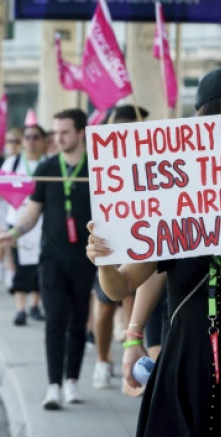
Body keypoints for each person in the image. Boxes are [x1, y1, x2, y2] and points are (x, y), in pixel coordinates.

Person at [85, 67, 221, 435]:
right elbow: (120, 287)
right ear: (211, 111)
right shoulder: (171, 176)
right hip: (188, 350)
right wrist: (103, 262)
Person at [0, 108, 95, 410]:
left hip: (84, 259)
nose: (59, 138)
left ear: (81, 133)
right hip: (51, 257)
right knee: (55, 320)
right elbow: (33, 210)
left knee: (78, 322)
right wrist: (14, 233)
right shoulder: (48, 168)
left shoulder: (98, 168)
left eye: (65, 132)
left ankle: (72, 381)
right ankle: (53, 385)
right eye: (56, 132)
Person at [91, 104, 147, 390]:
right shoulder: (103, 162)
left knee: (130, 299)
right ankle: (102, 361)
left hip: (144, 241)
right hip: (111, 242)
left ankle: (130, 350)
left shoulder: (153, 157)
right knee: (105, 304)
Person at [0, 125, 47, 326]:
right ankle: (20, 308)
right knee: (19, 265)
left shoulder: (48, 163)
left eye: (35, 137)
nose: (30, 141)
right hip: (17, 219)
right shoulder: (13, 162)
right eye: (26, 137)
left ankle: (35, 304)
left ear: (43, 140)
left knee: (39, 265)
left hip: (41, 222)